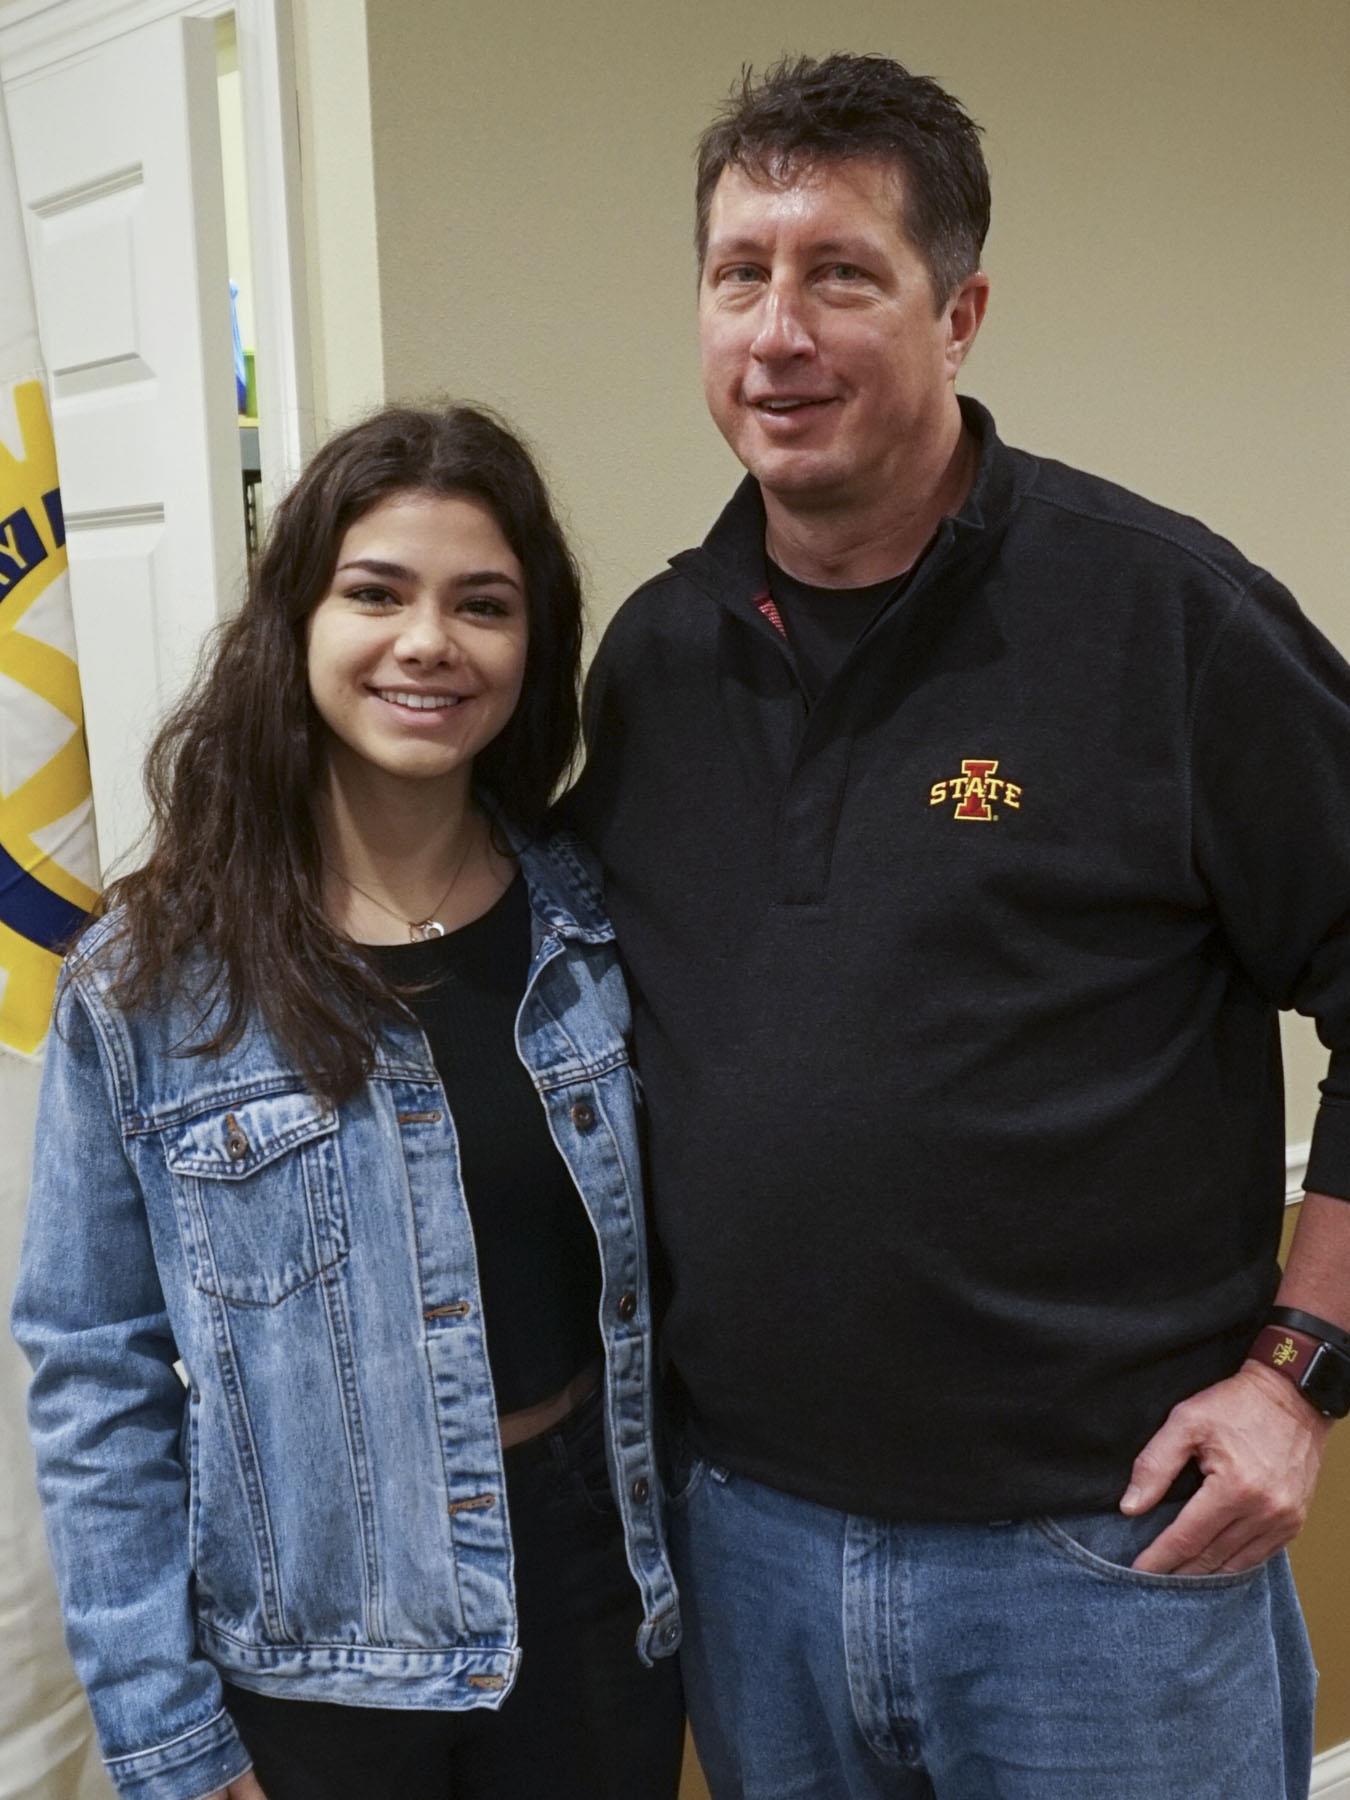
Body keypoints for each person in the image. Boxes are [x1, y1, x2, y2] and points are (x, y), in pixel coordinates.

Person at [566, 52, 1350, 1800]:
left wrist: (1297, 1372)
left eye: (841, 274)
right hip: (748, 1550)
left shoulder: (1165, 619)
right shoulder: (657, 658)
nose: (778, 333)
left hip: (1104, 1557)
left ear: (959, 313)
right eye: (738, 274)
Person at [12, 405, 683, 1800]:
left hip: (592, 1604)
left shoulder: (598, 927)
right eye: (376, 593)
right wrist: (167, 1734)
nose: (428, 641)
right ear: (296, 624)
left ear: (532, 643)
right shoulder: (149, 983)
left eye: (482, 605)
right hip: (310, 1655)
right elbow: (96, 1378)